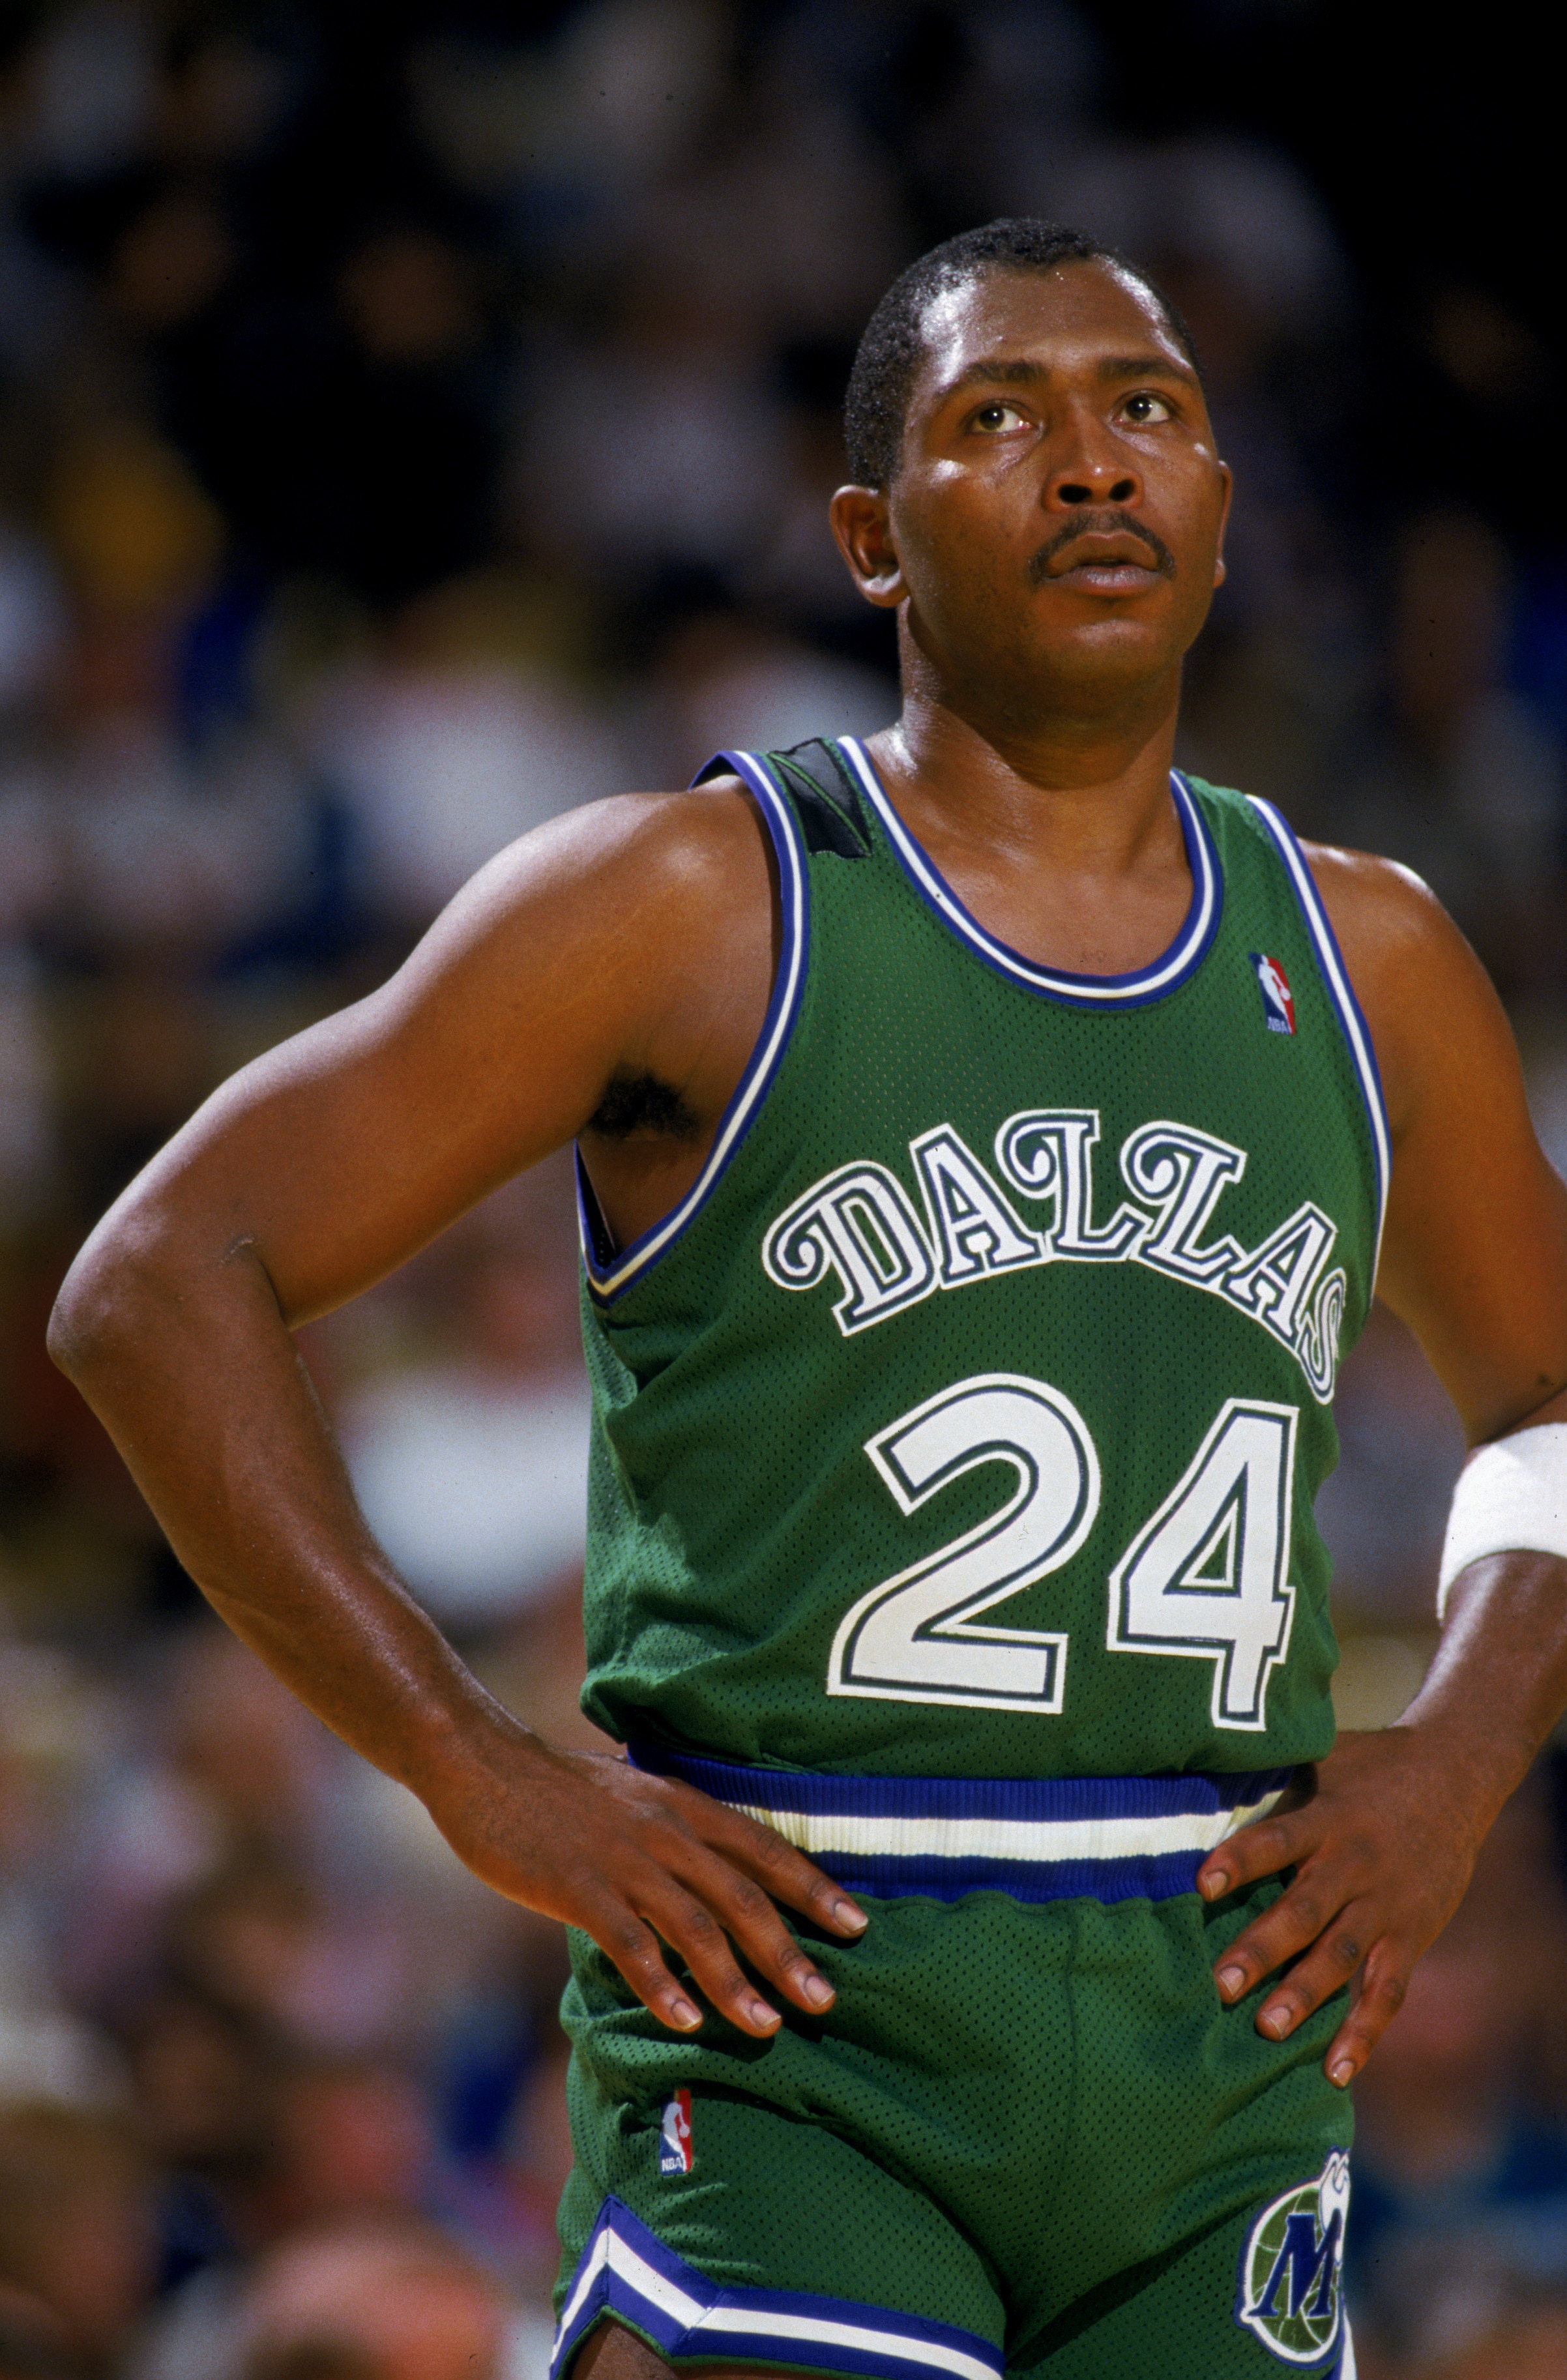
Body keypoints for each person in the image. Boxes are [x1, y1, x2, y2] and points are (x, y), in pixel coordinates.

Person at [48, 220, 1567, 2378]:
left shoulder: (1370, 956)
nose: (1093, 463)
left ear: (1224, 507)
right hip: (794, 2010)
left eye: (1147, 410)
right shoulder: (683, 900)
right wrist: (471, 1762)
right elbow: (155, 1277)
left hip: (1217, 2018)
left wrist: (1458, 1761)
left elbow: (1545, 1398)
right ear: (871, 535)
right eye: (1000, 419)